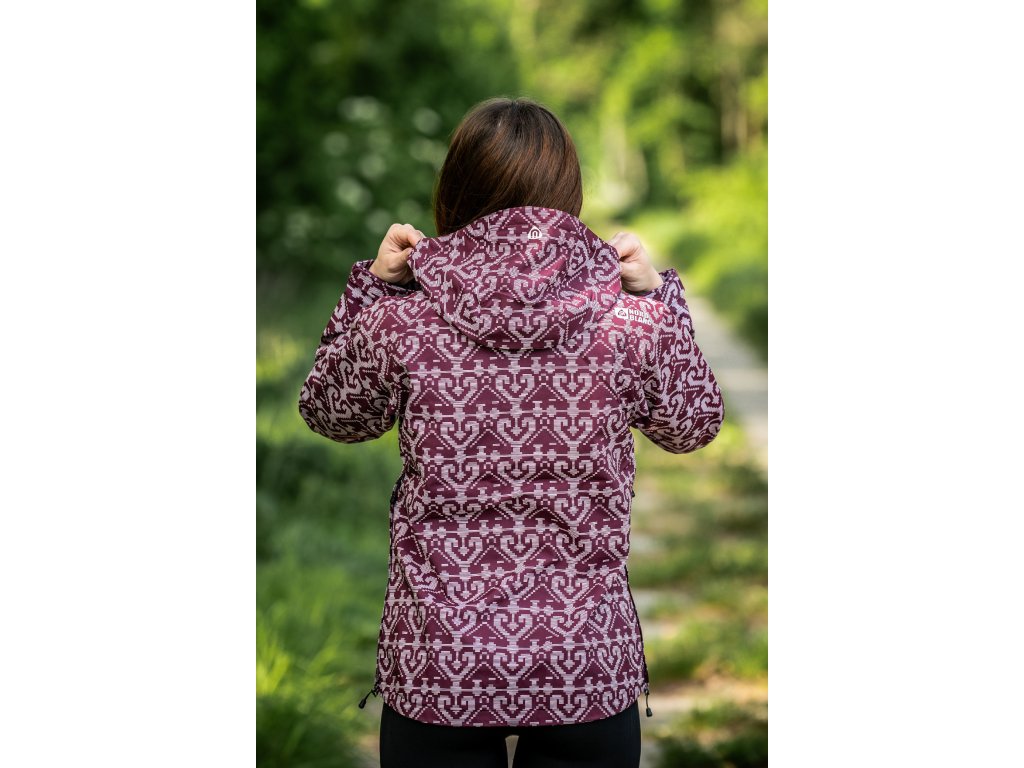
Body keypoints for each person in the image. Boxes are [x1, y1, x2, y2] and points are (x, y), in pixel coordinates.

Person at [298, 96, 724, 768]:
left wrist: (374, 289)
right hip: (584, 662)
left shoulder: (401, 321)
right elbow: (692, 423)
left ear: (455, 193)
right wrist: (657, 299)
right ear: (569, 193)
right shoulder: (627, 321)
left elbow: (331, 412)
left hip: (442, 665)